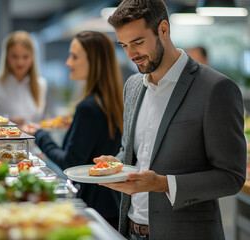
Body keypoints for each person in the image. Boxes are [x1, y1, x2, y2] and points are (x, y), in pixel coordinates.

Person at [94, 0, 247, 239]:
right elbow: (132, 153)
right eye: (124, 45)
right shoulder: (133, 86)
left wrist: (162, 184)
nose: (131, 54)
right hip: (131, 231)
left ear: (163, 29)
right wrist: (114, 165)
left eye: (138, 42)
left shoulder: (216, 88)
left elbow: (231, 177)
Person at [22, 31, 124, 229]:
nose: (68, 62)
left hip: (93, 206)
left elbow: (70, 163)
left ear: (94, 62)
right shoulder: (111, 101)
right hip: (112, 204)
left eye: (75, 56)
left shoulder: (88, 107)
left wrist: (40, 134)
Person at [0, 30, 47, 126]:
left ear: (32, 57)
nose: (20, 62)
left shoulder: (41, 85)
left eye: (25, 56)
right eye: (15, 56)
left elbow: (41, 121)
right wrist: (6, 121)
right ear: (7, 56)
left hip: (32, 141)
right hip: (3, 140)